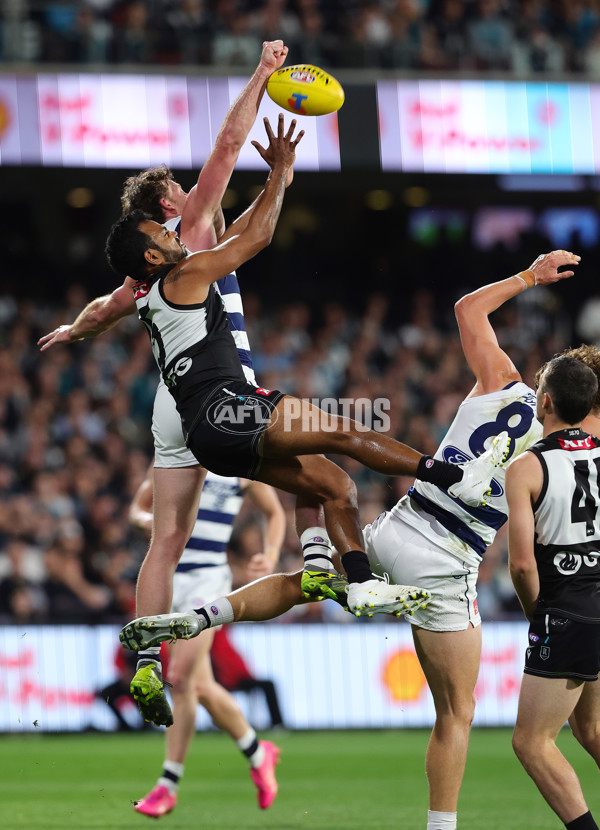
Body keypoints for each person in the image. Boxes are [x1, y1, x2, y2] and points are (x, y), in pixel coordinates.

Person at [118, 250, 577, 830]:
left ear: (544, 394)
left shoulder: (504, 386)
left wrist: (529, 277)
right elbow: (540, 551)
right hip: (448, 564)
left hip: (395, 530)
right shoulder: (561, 462)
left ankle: (203, 616)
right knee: (457, 715)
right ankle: (442, 828)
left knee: (311, 574)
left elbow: (467, 310)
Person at [113, 117, 509, 655]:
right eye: (164, 233)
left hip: (205, 433)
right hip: (229, 406)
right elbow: (256, 234)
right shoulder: (184, 273)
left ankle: (358, 579)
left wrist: (74, 330)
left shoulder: (143, 292)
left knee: (334, 485)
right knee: (346, 432)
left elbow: (105, 309)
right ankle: (450, 477)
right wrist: (277, 171)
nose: (173, 230)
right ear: (154, 256)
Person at [37, 39, 331, 727]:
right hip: (220, 392)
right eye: (183, 186)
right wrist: (263, 75)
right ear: (167, 202)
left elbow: (103, 311)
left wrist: (71, 333)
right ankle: (323, 563)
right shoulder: (187, 230)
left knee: (165, 538)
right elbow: (230, 144)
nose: (197, 189)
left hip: (173, 405)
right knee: (318, 451)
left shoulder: (141, 273)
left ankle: (144, 661)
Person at [130, 465, 286, 817]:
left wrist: (271, 553)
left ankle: (167, 786)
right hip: (170, 580)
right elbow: (137, 508)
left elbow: (274, 512)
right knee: (201, 686)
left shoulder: (235, 466)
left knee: (182, 679)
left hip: (208, 582)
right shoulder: (172, 457)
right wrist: (145, 519)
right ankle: (260, 754)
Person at [506, 355, 600, 830]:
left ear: (544, 402)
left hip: (567, 610)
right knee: (592, 729)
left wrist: (536, 614)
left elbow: (522, 564)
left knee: (531, 741)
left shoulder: (527, 466)